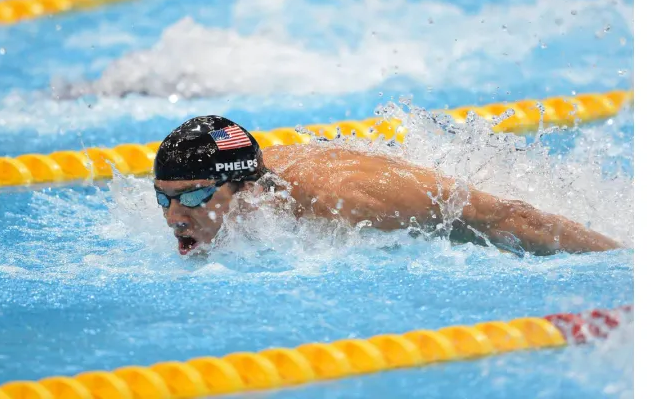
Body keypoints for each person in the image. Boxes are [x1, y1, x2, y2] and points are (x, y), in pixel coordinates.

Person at [153, 115, 622, 256]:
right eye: (164, 197)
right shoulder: (239, 189)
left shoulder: (350, 200)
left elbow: (506, 217)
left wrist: (621, 259)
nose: (175, 216)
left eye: (193, 196)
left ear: (248, 191)